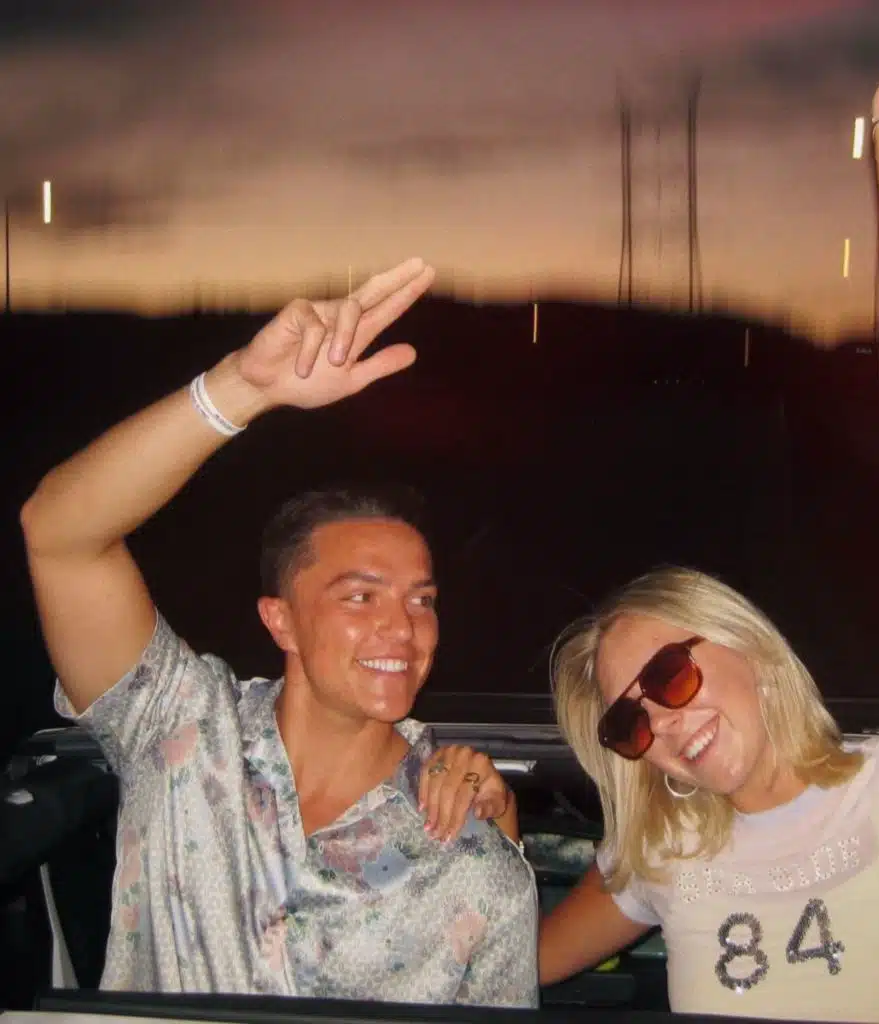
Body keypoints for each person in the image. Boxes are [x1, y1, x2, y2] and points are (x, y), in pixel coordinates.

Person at [540, 48, 879, 1024]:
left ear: (742, 645)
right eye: (629, 724)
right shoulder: (664, 855)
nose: (662, 723)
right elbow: (510, 962)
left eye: (668, 674)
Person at [20, 259, 537, 1007]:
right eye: (360, 596)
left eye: (420, 600)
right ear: (280, 619)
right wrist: (242, 389)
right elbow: (60, 532)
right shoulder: (182, 729)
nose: (402, 626)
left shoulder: (473, 854)